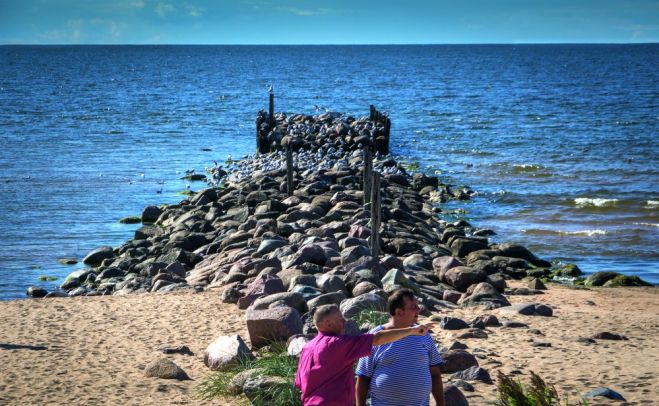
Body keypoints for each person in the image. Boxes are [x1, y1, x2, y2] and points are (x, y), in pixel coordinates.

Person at [294, 303, 434, 406]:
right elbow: (377, 338)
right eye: (339, 318)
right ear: (327, 323)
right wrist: (411, 331)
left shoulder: (307, 348)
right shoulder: (337, 344)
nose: (344, 321)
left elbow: (300, 385)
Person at [356, 288, 445, 406]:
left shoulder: (424, 334)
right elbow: (363, 378)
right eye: (413, 307)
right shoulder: (376, 336)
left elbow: (434, 373)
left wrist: (441, 403)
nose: (419, 309)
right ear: (399, 312)